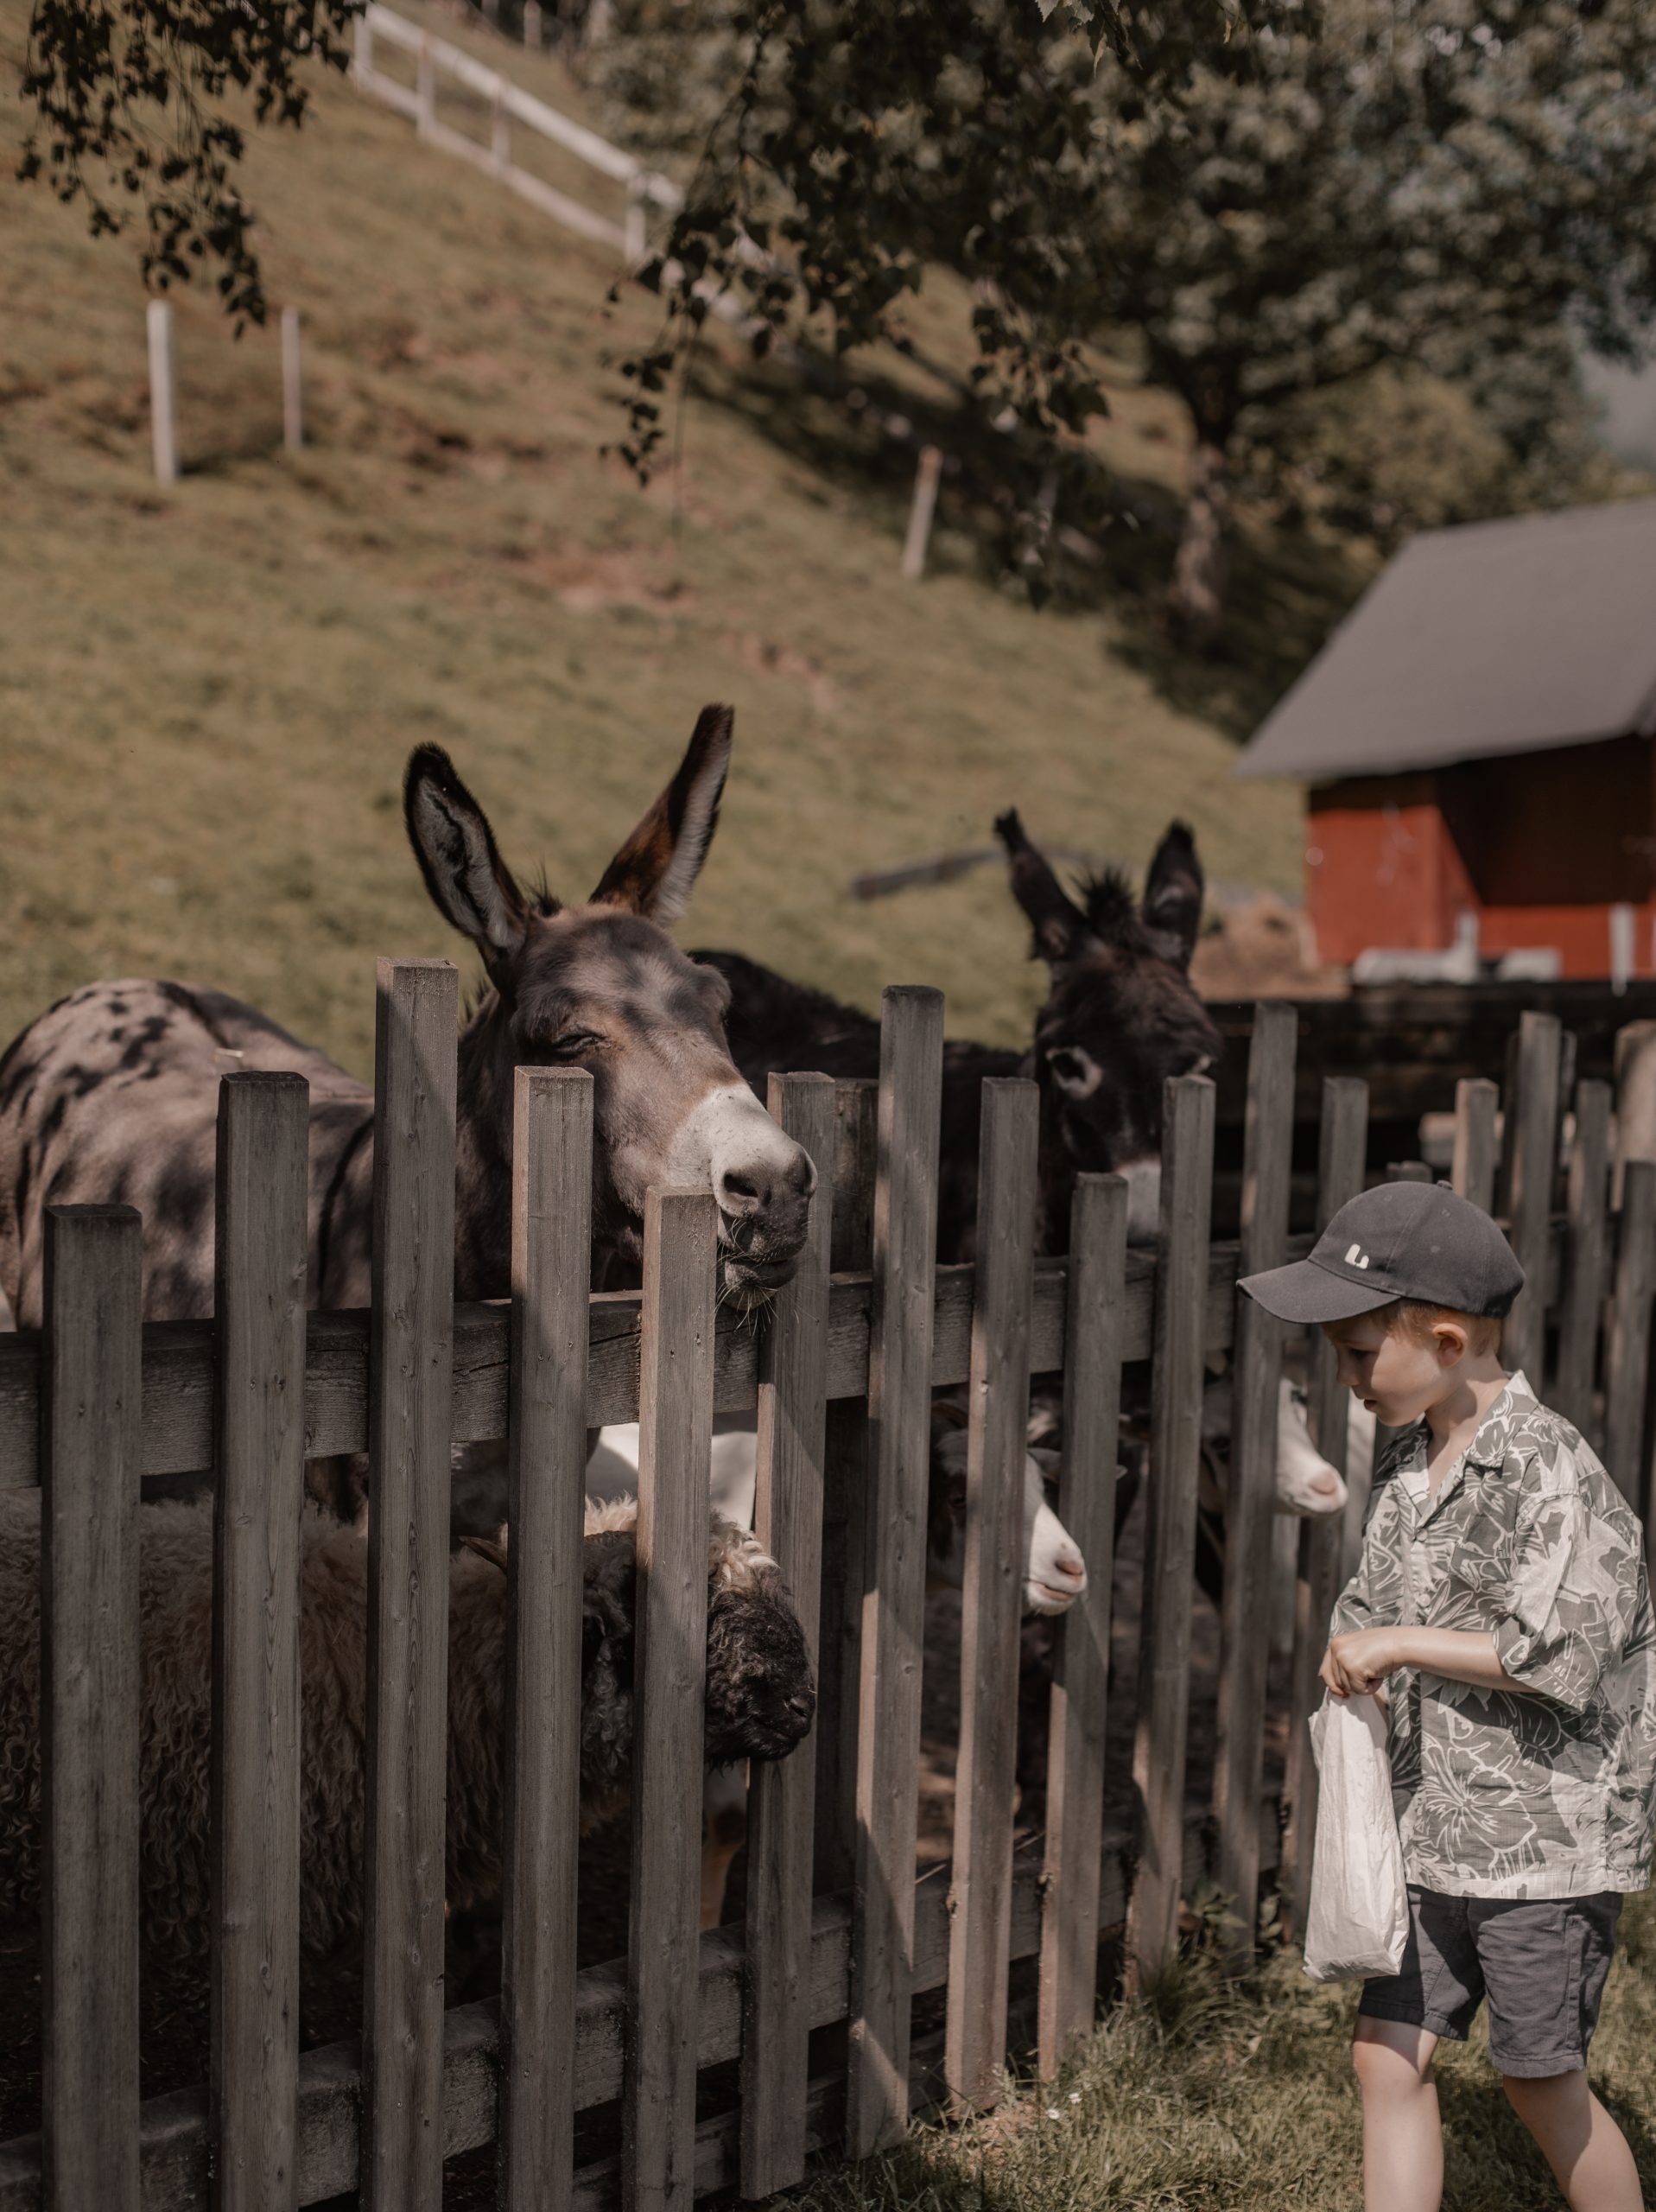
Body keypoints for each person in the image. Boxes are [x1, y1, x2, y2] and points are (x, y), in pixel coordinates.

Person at [1241, 1179, 1655, 2212]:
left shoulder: (1551, 1467)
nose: (1342, 1377)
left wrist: (1397, 1641)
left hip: (1540, 1851)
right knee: (1388, 2056)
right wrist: (1356, 1640)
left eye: (1354, 1352)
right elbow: (1376, 1594)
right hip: (1429, 1833)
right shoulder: (1408, 1455)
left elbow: (1556, 1649)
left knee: (1539, 2080)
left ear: (1446, 1335)